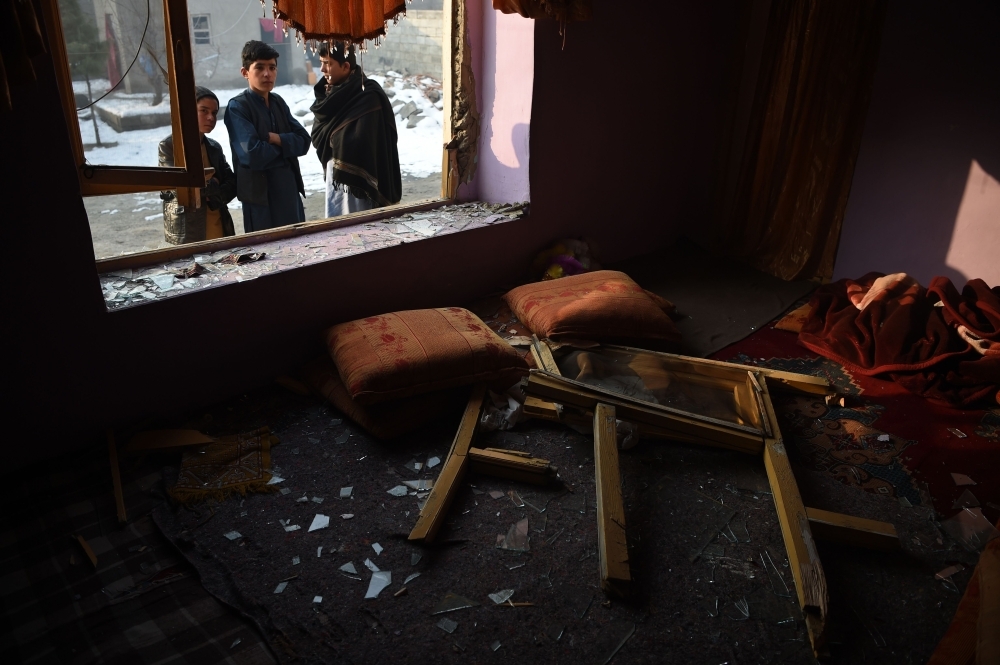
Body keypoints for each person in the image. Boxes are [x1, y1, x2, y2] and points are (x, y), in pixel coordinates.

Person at [225, 40, 311, 232]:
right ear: (245, 72)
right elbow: (252, 154)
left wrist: (277, 139)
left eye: (272, 68)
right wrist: (288, 147)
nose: (267, 73)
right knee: (267, 255)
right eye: (260, 68)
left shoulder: (278, 102)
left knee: (298, 250)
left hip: (288, 193)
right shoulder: (238, 107)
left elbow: (304, 141)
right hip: (260, 200)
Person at [310, 42, 401, 218]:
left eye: (328, 63)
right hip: (335, 178)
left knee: (362, 228)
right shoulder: (327, 96)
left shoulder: (368, 96)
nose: (322, 69)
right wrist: (333, 139)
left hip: (362, 182)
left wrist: (334, 139)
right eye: (321, 62)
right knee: (338, 228)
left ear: (345, 66)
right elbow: (318, 133)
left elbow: (363, 140)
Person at [158, 86, 237, 244]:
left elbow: (233, 184)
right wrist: (214, 183)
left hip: (218, 222)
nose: (210, 118)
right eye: (204, 111)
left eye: (214, 113)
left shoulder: (214, 147)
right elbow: (177, 187)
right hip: (187, 228)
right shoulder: (169, 146)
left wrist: (210, 191)